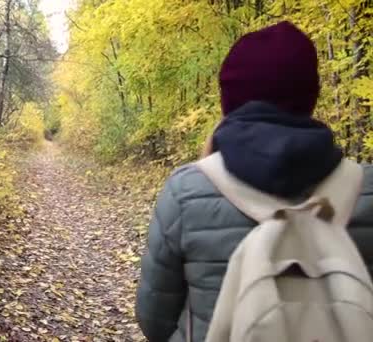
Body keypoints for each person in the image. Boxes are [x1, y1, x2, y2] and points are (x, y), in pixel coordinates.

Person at [135, 21, 373, 342]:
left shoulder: (187, 191)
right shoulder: (365, 187)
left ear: (229, 101)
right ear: (311, 95)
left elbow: (154, 320)